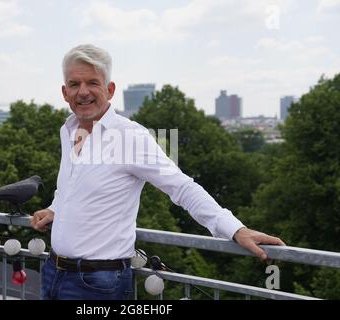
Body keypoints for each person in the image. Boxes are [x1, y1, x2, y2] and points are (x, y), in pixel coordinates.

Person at [30, 44, 285, 300]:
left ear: (110, 89)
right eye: (74, 84)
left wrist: (235, 229)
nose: (82, 92)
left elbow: (183, 187)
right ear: (65, 92)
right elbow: (72, 186)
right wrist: (56, 208)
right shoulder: (69, 129)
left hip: (97, 284)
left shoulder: (130, 137)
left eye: (92, 83)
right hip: (54, 271)